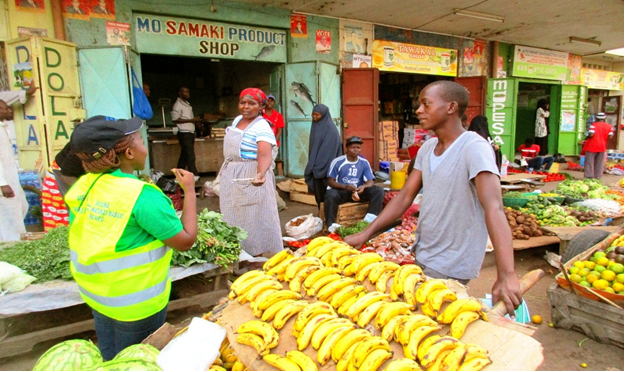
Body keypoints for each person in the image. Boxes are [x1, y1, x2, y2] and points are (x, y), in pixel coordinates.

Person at [344, 81, 521, 317]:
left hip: (452, 259)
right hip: (425, 251)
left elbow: (495, 208)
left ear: (450, 107)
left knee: (431, 323)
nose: (418, 110)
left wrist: (506, 275)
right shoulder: (428, 148)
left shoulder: (474, 148)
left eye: (426, 104)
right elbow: (405, 196)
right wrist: (367, 232)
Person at [65, 115, 197, 361]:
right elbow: (186, 240)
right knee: (136, 362)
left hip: (100, 297)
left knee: (110, 358)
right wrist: (189, 191)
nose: (143, 145)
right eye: (139, 140)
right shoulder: (142, 195)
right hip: (137, 305)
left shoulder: (85, 187)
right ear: (128, 154)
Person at [219, 89, 282, 258]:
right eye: (242, 102)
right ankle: (238, 255)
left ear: (261, 106)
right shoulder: (238, 120)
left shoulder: (262, 126)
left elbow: (264, 154)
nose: (246, 107)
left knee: (253, 219)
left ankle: (255, 258)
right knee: (232, 217)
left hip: (251, 175)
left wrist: (260, 173)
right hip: (232, 175)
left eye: (251, 103)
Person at [324, 136, 384, 226]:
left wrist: (364, 187)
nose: (356, 150)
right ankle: (330, 225)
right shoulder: (338, 162)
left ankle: (371, 222)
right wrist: (345, 187)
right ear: (347, 148)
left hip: (358, 192)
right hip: (342, 192)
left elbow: (370, 181)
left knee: (378, 191)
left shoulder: (364, 162)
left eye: (358, 148)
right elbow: (330, 181)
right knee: (330, 195)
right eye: (352, 147)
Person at [0, 100, 29, 242]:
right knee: (9, 215)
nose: (10, 111)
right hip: (4, 182)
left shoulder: (3, 128)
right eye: (6, 108)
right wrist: (2, 183)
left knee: (22, 207)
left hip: (10, 178)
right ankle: (11, 244)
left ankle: (15, 239)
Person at [41, 142, 85, 231]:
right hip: (61, 176)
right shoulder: (84, 143)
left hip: (78, 177)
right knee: (62, 228)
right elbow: (66, 175)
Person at [304, 104, 342, 208]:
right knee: (319, 197)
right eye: (313, 115)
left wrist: (318, 167)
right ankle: (322, 214)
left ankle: (328, 217)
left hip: (326, 170)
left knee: (327, 196)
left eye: (317, 115)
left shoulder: (331, 130)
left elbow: (328, 152)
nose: (314, 117)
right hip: (317, 169)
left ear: (324, 115)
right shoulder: (316, 126)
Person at [171, 86, 203, 181]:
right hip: (184, 133)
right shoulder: (178, 105)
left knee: (184, 156)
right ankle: (194, 175)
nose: (187, 94)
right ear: (180, 93)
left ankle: (178, 175)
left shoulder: (187, 104)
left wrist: (195, 121)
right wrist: (192, 120)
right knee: (190, 155)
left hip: (190, 133)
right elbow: (175, 119)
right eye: (185, 92)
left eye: (188, 92)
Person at [582, 112, 614, 179]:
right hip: (602, 146)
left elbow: (591, 135)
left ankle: (589, 176)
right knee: (599, 162)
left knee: (589, 162)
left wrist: (586, 138)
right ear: (604, 118)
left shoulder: (593, 125)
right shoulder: (609, 126)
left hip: (592, 145)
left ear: (596, 118)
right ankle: (598, 176)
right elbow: (610, 136)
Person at [263, 94, 285, 160]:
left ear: (274, 103)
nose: (270, 102)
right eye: (268, 100)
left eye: (271, 101)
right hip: (261, 144)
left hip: (273, 144)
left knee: (270, 164)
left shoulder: (278, 116)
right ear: (264, 102)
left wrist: (273, 143)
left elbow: (279, 131)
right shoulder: (260, 114)